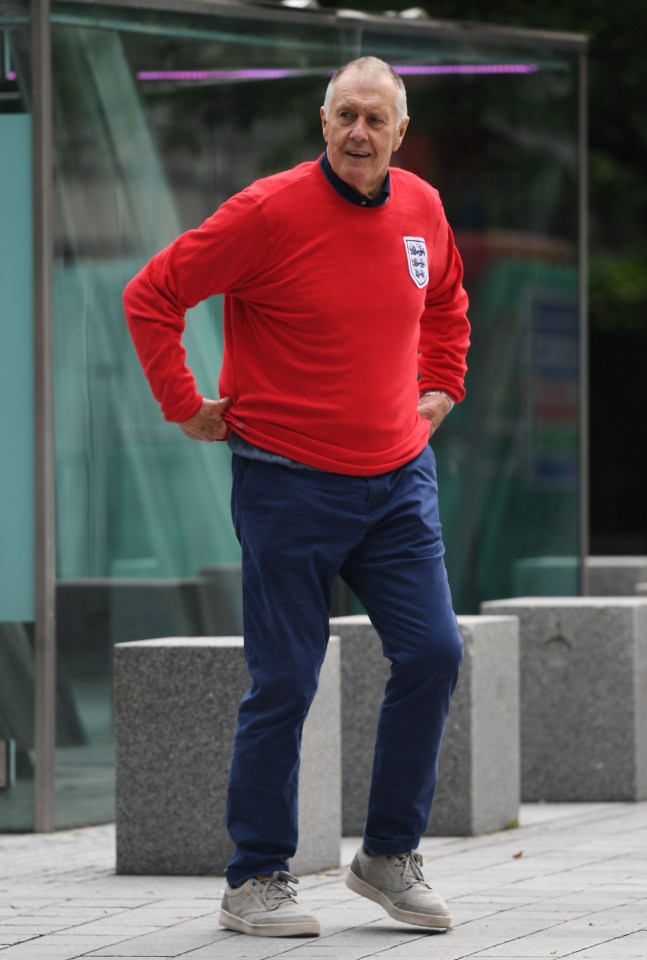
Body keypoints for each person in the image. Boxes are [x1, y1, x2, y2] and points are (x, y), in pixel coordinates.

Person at [123, 56, 470, 940]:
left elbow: (446, 303)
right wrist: (185, 405)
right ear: (323, 123)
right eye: (344, 116)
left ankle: (388, 857)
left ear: (400, 131)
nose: (359, 133)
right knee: (285, 679)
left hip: (397, 481)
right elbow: (152, 295)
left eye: (376, 121)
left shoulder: (422, 208)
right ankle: (255, 877)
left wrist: (441, 385)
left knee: (432, 653)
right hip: (286, 480)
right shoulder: (268, 210)